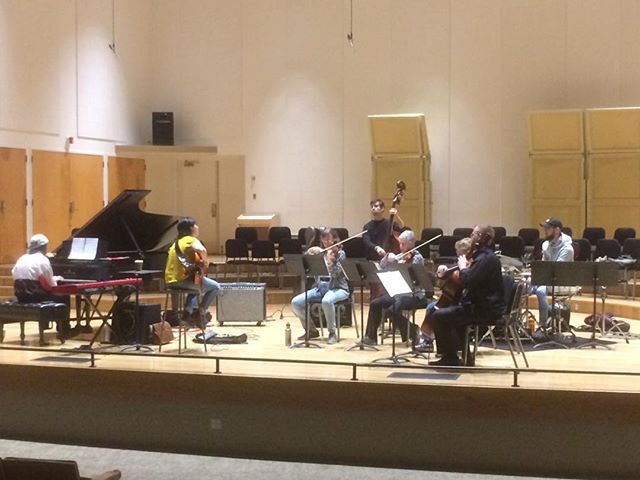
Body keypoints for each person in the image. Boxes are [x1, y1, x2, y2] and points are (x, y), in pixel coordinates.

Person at [430, 225, 505, 366]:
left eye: (474, 234)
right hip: (480, 305)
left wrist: (463, 267)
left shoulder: (485, 259)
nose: (471, 236)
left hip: (485, 309)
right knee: (453, 315)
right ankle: (465, 357)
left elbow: (468, 281)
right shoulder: (481, 256)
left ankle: (450, 357)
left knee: (438, 316)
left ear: (484, 237)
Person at [358, 230, 432, 346]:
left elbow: (410, 271)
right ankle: (370, 337)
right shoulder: (400, 255)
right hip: (399, 293)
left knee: (391, 310)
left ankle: (413, 330)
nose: (401, 247)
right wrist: (387, 257)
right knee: (375, 303)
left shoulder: (418, 257)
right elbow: (382, 266)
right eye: (400, 244)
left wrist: (397, 262)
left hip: (415, 295)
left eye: (403, 244)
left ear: (412, 243)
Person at [290, 228, 349, 345]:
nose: (326, 241)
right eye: (324, 239)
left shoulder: (340, 254)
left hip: (338, 288)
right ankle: (311, 330)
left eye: (329, 239)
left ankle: (332, 332)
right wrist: (309, 255)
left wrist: (331, 261)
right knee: (295, 302)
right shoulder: (320, 253)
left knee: (327, 301)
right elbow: (308, 269)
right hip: (320, 288)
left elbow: (337, 274)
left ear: (334, 240)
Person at [416, 237, 472, 352]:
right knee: (432, 307)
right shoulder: (460, 265)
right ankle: (428, 341)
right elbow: (445, 285)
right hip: (453, 299)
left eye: (460, 253)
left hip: (464, 301)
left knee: (434, 309)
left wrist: (461, 270)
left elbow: (464, 282)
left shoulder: (469, 266)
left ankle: (435, 345)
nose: (458, 256)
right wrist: (443, 274)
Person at [12, 234, 71, 338]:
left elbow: (16, 276)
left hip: (21, 297)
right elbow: (50, 285)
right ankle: (64, 329)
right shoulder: (42, 260)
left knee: (48, 293)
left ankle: (45, 323)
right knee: (64, 296)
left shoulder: (22, 258)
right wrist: (57, 279)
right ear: (43, 247)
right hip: (35, 297)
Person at [165, 217, 220, 326]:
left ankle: (188, 313)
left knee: (195, 284)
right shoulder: (190, 239)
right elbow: (202, 250)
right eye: (196, 225)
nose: (198, 227)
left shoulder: (175, 243)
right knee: (216, 287)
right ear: (191, 228)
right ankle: (200, 313)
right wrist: (205, 262)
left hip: (170, 281)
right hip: (182, 280)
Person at [533, 217, 574, 331]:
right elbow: (543, 265)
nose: (545, 231)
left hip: (562, 281)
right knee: (521, 286)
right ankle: (513, 325)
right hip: (547, 278)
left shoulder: (567, 248)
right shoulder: (545, 245)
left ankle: (543, 325)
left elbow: (557, 270)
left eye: (548, 228)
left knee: (541, 290)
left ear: (557, 230)